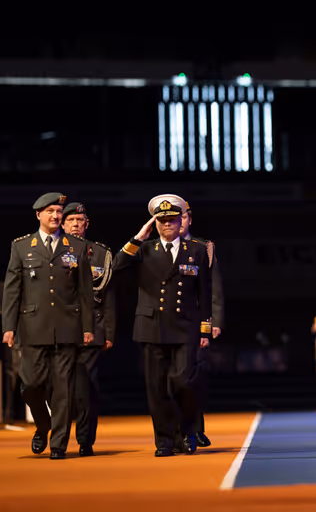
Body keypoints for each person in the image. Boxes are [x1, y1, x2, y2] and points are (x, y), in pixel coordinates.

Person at [110, 195, 212, 457]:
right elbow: (116, 266)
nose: (167, 224)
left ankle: (187, 431)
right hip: (152, 325)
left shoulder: (197, 250)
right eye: (162, 220)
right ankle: (165, 441)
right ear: (155, 223)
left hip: (185, 326)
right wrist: (138, 237)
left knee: (183, 381)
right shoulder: (144, 249)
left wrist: (205, 328)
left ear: (181, 222)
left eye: (172, 220)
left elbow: (204, 292)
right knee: (156, 387)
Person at [0, 192, 94, 460]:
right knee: (30, 385)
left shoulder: (76, 246)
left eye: (59, 211)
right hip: (33, 327)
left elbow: (85, 292)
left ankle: (58, 445)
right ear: (38, 214)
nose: (56, 216)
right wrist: (8, 326)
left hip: (67, 327)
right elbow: (12, 290)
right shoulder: (21, 247)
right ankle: (43, 425)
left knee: (63, 389)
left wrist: (88, 327)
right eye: (50, 211)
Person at [61, 201, 116, 458]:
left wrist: (109, 332)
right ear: (62, 224)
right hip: (59, 328)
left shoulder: (101, 253)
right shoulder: (51, 251)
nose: (75, 224)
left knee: (85, 387)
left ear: (87, 224)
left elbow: (109, 297)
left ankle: (84, 440)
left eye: (79, 220)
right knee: (60, 387)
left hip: (92, 328)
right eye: (70, 220)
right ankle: (57, 437)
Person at [180, 207, 224, 447]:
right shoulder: (158, 247)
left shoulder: (204, 247)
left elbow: (213, 287)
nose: (179, 221)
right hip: (169, 322)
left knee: (195, 375)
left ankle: (196, 428)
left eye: (184, 216)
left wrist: (212, 321)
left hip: (198, 321)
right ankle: (177, 430)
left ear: (190, 219)